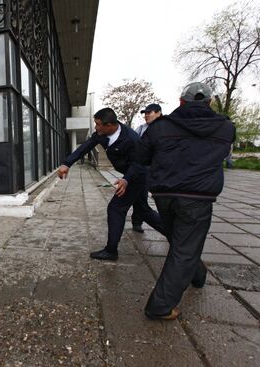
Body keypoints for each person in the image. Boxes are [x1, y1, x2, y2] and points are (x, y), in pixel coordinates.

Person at [135, 82, 235, 320]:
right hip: (198, 196)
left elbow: (141, 157)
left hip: (164, 194)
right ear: (209, 103)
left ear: (181, 102)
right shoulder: (225, 127)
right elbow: (223, 153)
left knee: (181, 243)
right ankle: (160, 306)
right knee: (185, 247)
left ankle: (197, 275)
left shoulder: (160, 127)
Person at [58, 108, 165, 261]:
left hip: (138, 175)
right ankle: (178, 237)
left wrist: (126, 180)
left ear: (110, 125)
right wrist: (67, 164)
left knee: (116, 208)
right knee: (144, 211)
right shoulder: (102, 134)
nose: (96, 128)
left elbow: (139, 164)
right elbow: (86, 146)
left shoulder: (132, 139)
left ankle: (111, 250)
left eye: (98, 124)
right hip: (131, 175)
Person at [131, 103, 162, 233]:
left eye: (150, 112)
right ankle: (137, 221)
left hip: (161, 169)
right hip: (144, 168)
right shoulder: (141, 129)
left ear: (159, 113)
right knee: (140, 196)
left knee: (162, 198)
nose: (146, 115)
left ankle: (167, 223)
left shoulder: (165, 127)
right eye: (145, 113)